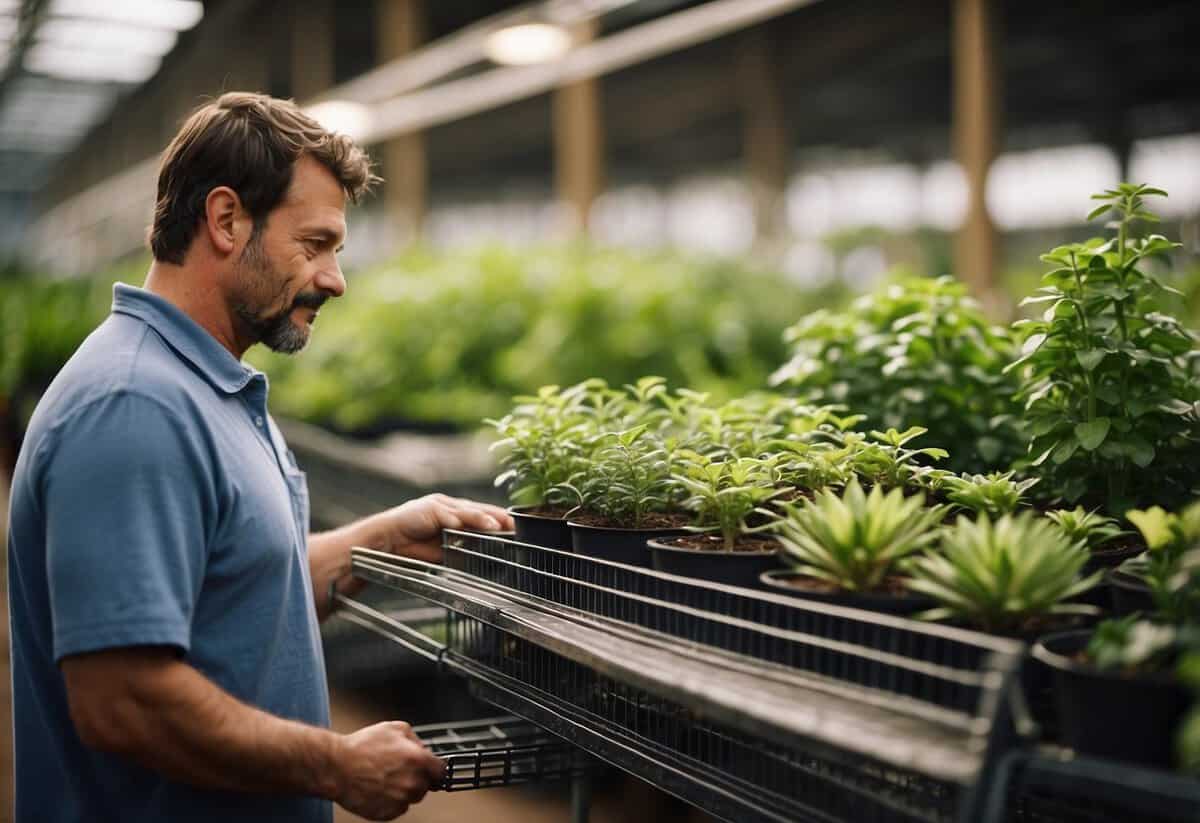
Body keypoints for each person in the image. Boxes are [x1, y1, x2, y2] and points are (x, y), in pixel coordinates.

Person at [6, 91, 513, 823]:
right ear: (225, 220)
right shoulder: (133, 407)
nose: (335, 278)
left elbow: (236, 590)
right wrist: (335, 763)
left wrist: (386, 538)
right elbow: (123, 700)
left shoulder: (207, 384)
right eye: (315, 244)